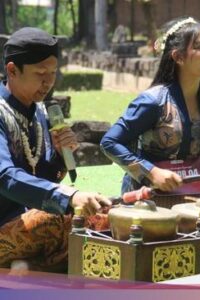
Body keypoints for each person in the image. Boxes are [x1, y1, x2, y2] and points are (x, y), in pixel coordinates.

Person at [100, 17, 200, 206]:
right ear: (178, 57)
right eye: (199, 47)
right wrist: (152, 172)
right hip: (146, 202)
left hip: (194, 202)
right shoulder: (153, 101)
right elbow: (110, 142)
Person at [0, 27, 111, 272]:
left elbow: (44, 178)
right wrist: (68, 197)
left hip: (28, 220)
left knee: (102, 216)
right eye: (40, 73)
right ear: (12, 70)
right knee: (55, 219)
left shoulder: (40, 112)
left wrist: (60, 157)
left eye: (52, 72)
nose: (49, 82)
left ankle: (32, 271)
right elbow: (4, 176)